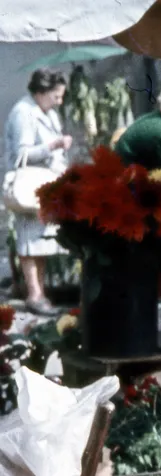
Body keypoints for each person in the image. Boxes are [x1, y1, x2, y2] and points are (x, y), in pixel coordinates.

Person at [4, 69, 70, 315]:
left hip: (46, 184)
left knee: (40, 241)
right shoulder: (24, 113)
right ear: (41, 92)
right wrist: (53, 145)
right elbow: (22, 154)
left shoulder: (47, 112)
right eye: (56, 96)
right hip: (30, 185)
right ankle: (34, 294)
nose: (59, 102)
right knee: (30, 240)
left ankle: (38, 292)